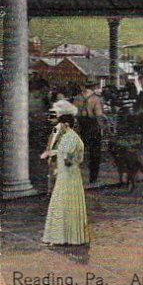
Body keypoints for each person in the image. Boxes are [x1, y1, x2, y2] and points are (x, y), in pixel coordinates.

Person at [40, 102, 89, 246]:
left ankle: (63, 237)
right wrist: (52, 153)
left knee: (64, 204)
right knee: (64, 204)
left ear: (66, 124)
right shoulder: (70, 136)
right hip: (67, 176)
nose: (58, 127)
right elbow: (64, 153)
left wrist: (58, 156)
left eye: (60, 124)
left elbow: (67, 159)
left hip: (68, 176)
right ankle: (64, 237)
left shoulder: (70, 137)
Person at [73, 80, 106, 184]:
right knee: (95, 152)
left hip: (81, 124)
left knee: (78, 151)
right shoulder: (96, 98)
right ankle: (93, 178)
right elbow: (99, 115)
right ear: (94, 86)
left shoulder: (77, 98)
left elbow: (74, 114)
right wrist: (102, 128)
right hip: (92, 124)